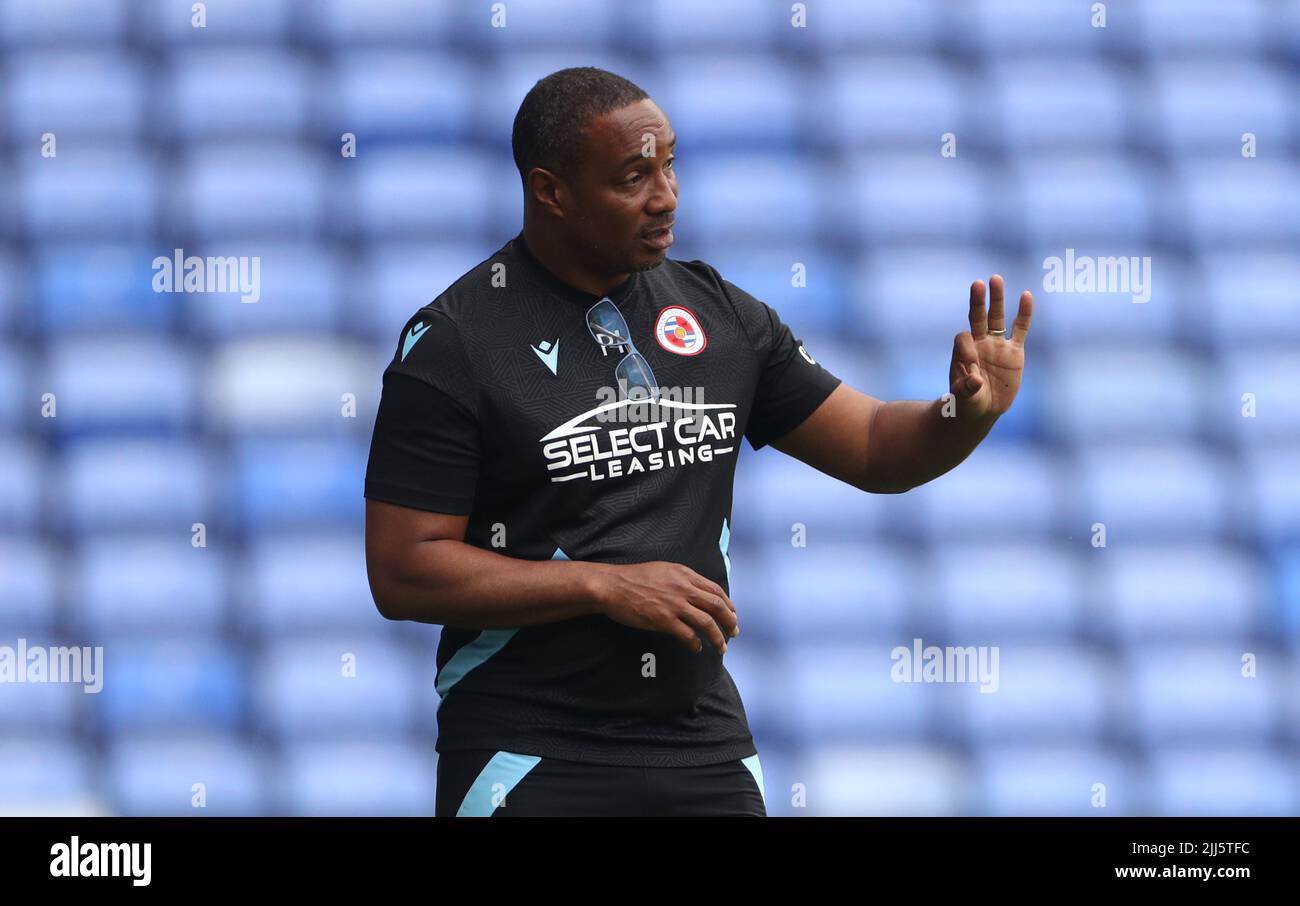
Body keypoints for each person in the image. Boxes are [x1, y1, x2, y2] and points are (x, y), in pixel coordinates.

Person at [363, 67, 1033, 817]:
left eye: (670, 164)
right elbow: (402, 570)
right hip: (528, 747)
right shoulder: (456, 341)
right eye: (633, 176)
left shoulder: (720, 315)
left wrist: (965, 414)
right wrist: (602, 585)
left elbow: (877, 448)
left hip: (700, 743)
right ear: (551, 191)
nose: (666, 195)